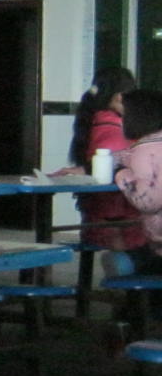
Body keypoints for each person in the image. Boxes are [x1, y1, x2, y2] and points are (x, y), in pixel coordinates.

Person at [67, 66, 146, 253]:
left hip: (99, 217)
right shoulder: (113, 127)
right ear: (120, 97)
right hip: (118, 222)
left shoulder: (95, 120)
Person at [111, 89, 162, 274]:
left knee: (121, 263)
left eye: (122, 116)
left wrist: (121, 173)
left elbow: (146, 201)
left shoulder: (145, 149)